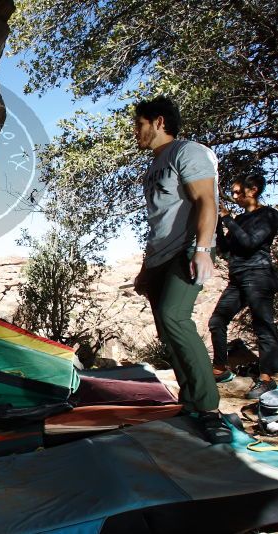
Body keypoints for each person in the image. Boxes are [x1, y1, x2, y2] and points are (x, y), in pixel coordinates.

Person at [131, 96, 232, 444]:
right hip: (159, 257)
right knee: (167, 332)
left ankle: (209, 410)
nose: (135, 132)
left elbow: (207, 200)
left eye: (139, 124)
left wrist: (203, 249)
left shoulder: (187, 152)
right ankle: (190, 402)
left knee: (176, 317)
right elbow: (158, 221)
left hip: (188, 250)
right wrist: (146, 268)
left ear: (159, 122)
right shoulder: (153, 167)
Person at [208, 175, 278, 398]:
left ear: (253, 190)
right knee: (217, 321)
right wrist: (218, 224)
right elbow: (226, 250)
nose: (235, 196)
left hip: (258, 275)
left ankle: (267, 379)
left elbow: (250, 243)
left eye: (238, 192)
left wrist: (227, 219)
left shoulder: (268, 215)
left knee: (263, 326)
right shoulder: (238, 219)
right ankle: (220, 368)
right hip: (237, 279)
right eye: (233, 192)